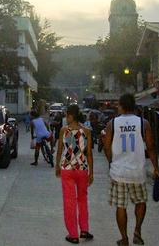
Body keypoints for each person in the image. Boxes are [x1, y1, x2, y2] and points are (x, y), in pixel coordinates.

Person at [103, 93, 159, 246]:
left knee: (121, 206)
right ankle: (137, 231)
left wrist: (112, 162)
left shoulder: (112, 124)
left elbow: (106, 147)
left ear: (121, 106)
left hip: (118, 173)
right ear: (134, 106)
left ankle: (124, 238)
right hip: (138, 171)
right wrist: (156, 168)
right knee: (140, 202)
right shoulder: (144, 123)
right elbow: (151, 147)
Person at [55, 104, 94, 244]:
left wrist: (57, 166)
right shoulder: (87, 131)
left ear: (71, 115)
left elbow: (59, 150)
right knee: (82, 200)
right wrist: (91, 172)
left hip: (67, 169)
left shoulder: (63, 130)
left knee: (69, 202)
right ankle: (84, 230)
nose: (66, 117)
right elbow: (89, 154)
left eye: (67, 115)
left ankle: (73, 235)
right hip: (82, 169)